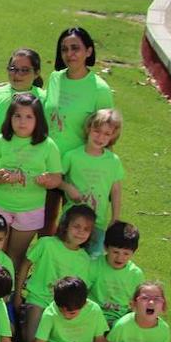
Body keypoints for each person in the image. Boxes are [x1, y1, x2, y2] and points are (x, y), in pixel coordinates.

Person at [43, 27, 114, 235]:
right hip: (49, 160)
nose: (69, 54)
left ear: (89, 51)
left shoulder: (99, 89)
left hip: (79, 165)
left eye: (75, 48)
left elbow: (108, 132)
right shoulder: (55, 78)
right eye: (64, 49)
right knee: (43, 221)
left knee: (73, 226)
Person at [0, 93, 61, 270]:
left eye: (29, 117)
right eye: (17, 116)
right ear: (10, 118)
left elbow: (57, 178)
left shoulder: (47, 145)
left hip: (30, 209)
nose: (22, 122)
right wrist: (1, 178)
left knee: (15, 256)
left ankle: (8, 292)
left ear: (38, 119)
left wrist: (48, 180)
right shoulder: (0, 141)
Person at [15, 204, 95, 342]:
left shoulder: (85, 259)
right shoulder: (46, 244)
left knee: (55, 341)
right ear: (65, 226)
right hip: (38, 300)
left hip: (63, 307)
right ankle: (24, 318)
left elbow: (81, 290)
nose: (80, 232)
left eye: (86, 229)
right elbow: (25, 265)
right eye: (76, 226)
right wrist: (17, 294)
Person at [59, 108, 124, 254]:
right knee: (64, 255)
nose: (100, 137)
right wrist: (67, 187)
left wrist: (115, 218)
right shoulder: (72, 156)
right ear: (89, 129)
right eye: (97, 131)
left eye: (107, 134)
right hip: (71, 221)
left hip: (97, 223)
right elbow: (56, 179)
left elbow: (116, 191)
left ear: (112, 136)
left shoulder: (113, 161)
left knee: (91, 261)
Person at [0, 48, 45, 151]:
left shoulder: (45, 99)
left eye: (24, 70)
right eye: (13, 69)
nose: (17, 74)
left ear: (37, 73)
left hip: (29, 164)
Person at [88, 222, 145, 327]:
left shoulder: (135, 274)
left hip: (121, 321)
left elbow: (138, 303)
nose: (120, 258)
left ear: (134, 252)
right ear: (105, 247)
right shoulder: (94, 266)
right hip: (93, 317)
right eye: (115, 252)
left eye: (126, 253)